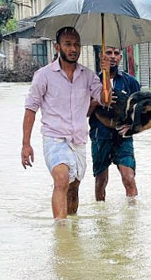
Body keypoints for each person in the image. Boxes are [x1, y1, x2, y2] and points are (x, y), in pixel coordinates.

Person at [21, 27, 112, 220]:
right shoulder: (44, 75)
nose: (73, 49)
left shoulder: (88, 75)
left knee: (73, 187)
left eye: (77, 45)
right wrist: (26, 144)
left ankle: (72, 233)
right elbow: (31, 108)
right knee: (61, 179)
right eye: (68, 44)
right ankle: (61, 235)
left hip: (78, 139)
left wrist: (106, 72)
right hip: (54, 138)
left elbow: (104, 99)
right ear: (57, 47)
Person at [87, 46, 140, 201]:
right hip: (100, 136)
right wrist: (97, 101)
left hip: (123, 135)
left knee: (129, 178)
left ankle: (132, 220)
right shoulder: (92, 82)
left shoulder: (130, 82)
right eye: (108, 53)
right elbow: (84, 113)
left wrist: (132, 127)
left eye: (116, 53)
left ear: (121, 58)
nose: (112, 56)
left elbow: (140, 111)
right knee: (101, 181)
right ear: (100, 56)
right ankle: (101, 219)